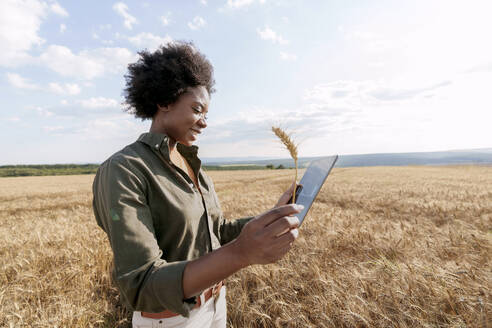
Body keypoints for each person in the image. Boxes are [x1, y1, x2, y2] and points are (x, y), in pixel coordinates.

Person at [92, 41, 303, 328]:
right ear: (165, 101)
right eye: (197, 109)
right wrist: (243, 252)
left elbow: (216, 232)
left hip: (216, 304)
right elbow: (140, 284)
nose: (204, 122)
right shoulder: (125, 169)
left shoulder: (192, 165)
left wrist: (269, 217)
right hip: (173, 320)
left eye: (206, 114)